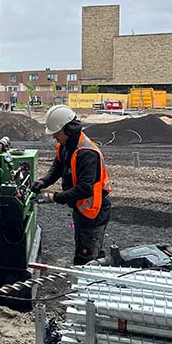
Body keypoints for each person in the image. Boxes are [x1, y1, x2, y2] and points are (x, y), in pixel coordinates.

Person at [32, 105, 112, 265]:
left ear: (68, 129)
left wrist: (54, 197)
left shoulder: (86, 153)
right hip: (81, 208)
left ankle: (88, 279)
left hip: (93, 210)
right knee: (85, 244)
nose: (54, 136)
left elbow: (84, 189)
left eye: (56, 132)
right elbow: (57, 168)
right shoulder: (65, 146)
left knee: (86, 257)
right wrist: (43, 182)